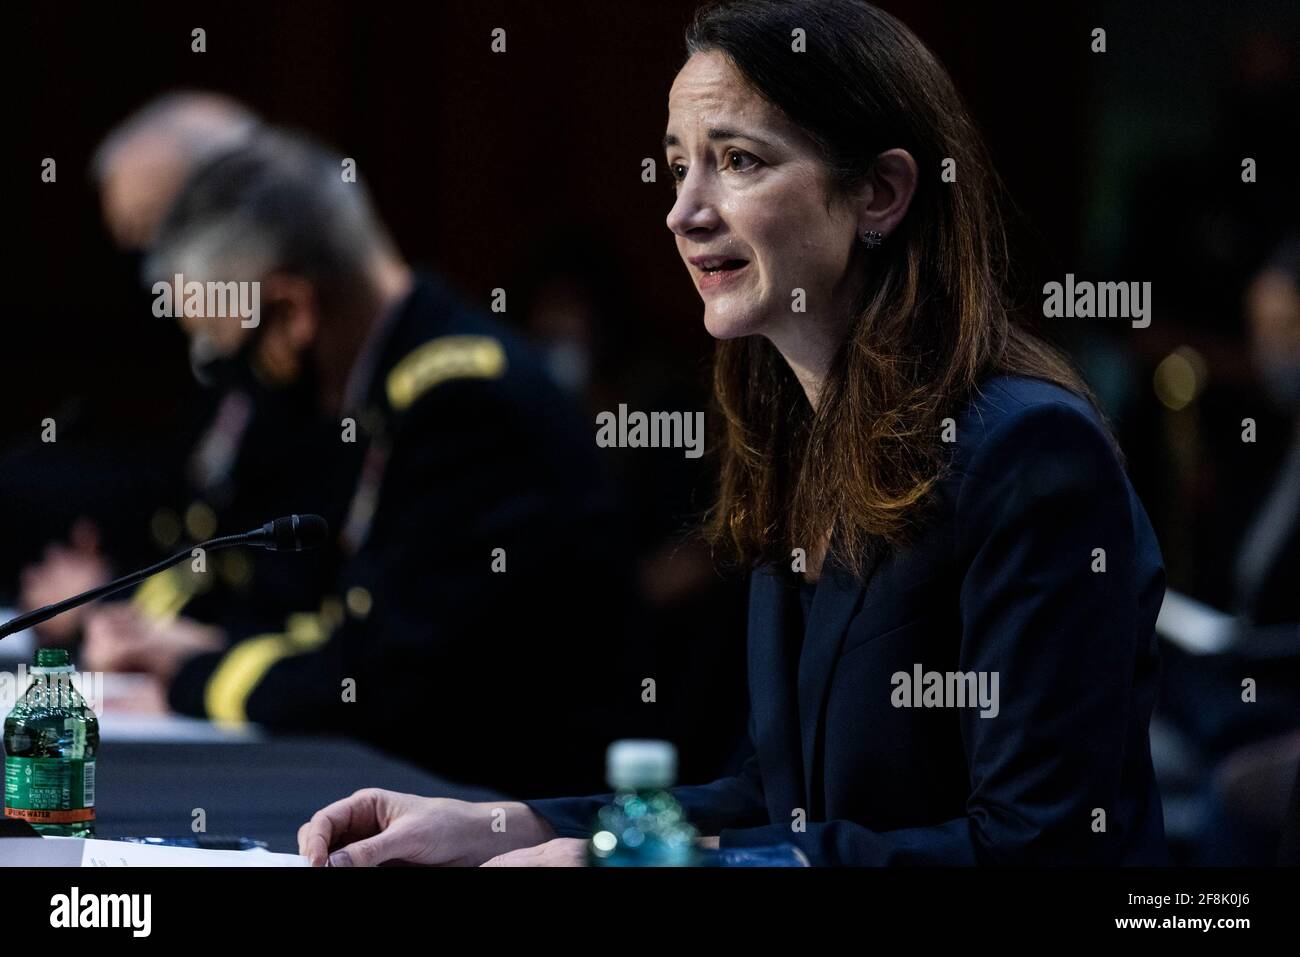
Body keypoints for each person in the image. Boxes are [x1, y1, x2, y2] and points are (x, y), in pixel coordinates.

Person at [298, 0, 1169, 866]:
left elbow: (1035, 848)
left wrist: (635, 868)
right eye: (679, 168)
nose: (684, 212)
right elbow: (769, 797)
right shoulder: (799, 438)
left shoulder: (1031, 453)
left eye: (738, 162)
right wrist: (507, 824)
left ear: (880, 192)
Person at [81, 128, 630, 797]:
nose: (235, 384)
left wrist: (190, 677)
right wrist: (189, 648)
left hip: (514, 811)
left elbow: (384, 685)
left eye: (231, 352)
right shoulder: (387, 387)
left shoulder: (462, 402)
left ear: (292, 310)